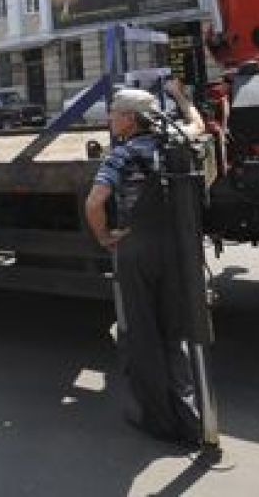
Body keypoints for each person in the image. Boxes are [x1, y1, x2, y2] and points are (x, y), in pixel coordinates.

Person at [84, 78, 205, 447]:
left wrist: (104, 237)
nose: (110, 118)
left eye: (116, 113)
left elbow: (94, 202)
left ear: (131, 120)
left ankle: (158, 421)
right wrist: (182, 98)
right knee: (174, 333)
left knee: (143, 335)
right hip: (175, 249)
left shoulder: (120, 154)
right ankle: (190, 420)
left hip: (137, 251)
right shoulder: (175, 142)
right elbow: (198, 125)